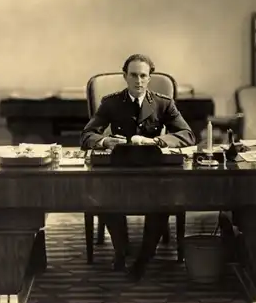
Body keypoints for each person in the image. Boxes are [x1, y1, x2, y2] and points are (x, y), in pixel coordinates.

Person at [80, 53, 196, 280]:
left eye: (144, 75)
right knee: (106, 196)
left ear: (149, 78)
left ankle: (144, 256)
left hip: (152, 168)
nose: (139, 80)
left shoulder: (163, 103)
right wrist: (105, 141)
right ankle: (121, 251)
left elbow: (188, 135)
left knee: (163, 198)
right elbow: (86, 136)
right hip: (119, 168)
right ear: (125, 76)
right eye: (133, 75)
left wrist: (157, 141)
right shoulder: (111, 102)